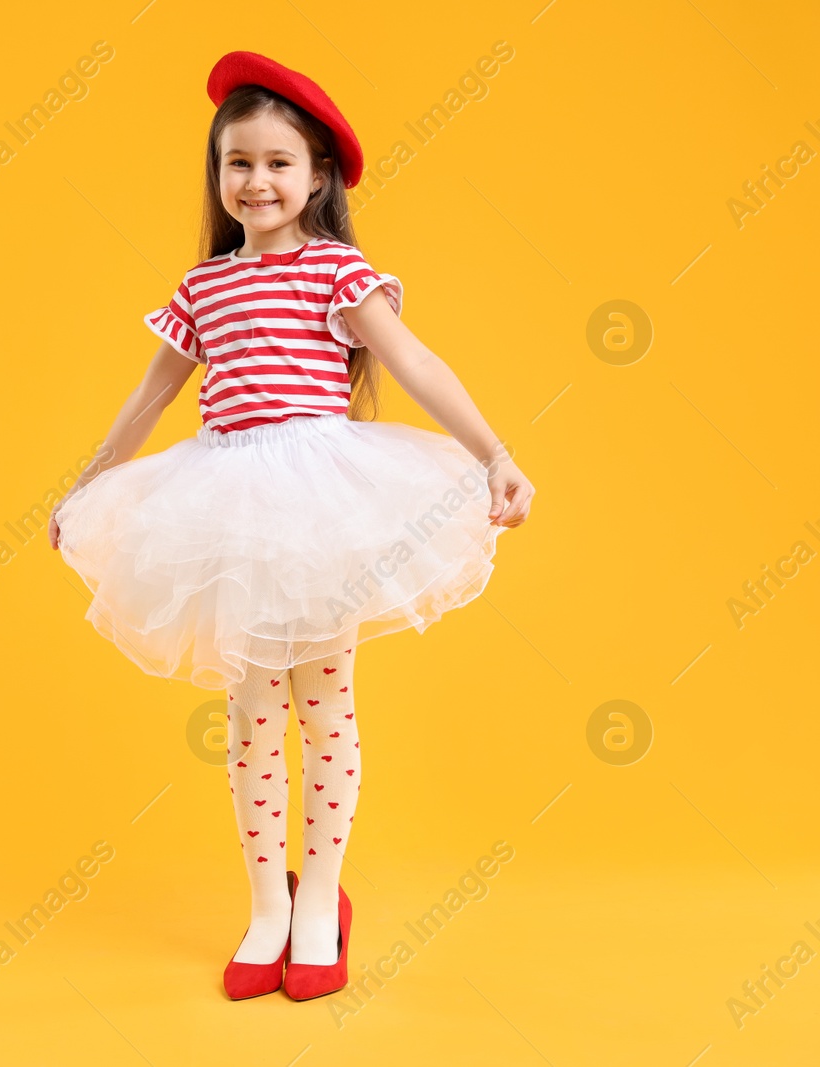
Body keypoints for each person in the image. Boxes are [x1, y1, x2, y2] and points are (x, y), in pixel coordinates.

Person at [48, 51, 535, 1002]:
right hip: (227, 507)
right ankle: (267, 902)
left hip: (320, 503)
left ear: (319, 176)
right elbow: (152, 393)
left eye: (279, 162)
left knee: (324, 704)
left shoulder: (339, 273)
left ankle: (321, 901)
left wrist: (494, 453)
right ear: (217, 174)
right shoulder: (204, 287)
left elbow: (419, 362)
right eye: (239, 162)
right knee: (249, 716)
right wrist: (87, 485)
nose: (257, 181)